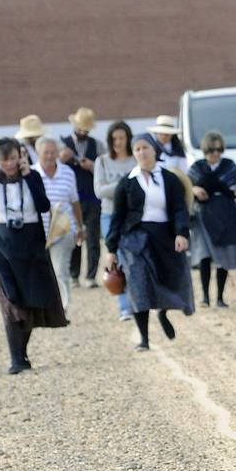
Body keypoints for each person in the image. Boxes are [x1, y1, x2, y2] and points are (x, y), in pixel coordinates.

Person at [0, 136, 68, 374]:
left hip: (31, 246)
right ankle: (15, 359)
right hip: (4, 247)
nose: (9, 164)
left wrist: (29, 174)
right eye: (3, 159)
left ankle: (22, 354)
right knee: (11, 301)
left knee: (30, 300)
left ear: (20, 157)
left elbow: (43, 205)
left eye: (12, 158)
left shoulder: (32, 177)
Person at [107, 132, 196, 351]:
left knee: (169, 280)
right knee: (138, 286)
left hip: (164, 237)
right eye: (137, 149)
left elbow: (179, 209)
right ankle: (144, 338)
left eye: (145, 148)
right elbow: (117, 217)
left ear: (154, 150)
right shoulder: (127, 183)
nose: (141, 153)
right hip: (134, 241)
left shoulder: (169, 178)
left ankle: (164, 312)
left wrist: (181, 233)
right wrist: (111, 249)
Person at [188, 130, 236, 308]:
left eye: (218, 150)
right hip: (203, 215)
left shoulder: (230, 166)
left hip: (225, 214)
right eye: (210, 150)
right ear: (205, 150)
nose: (215, 154)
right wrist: (194, 190)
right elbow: (186, 187)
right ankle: (205, 298)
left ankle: (220, 298)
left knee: (223, 257)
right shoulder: (197, 167)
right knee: (204, 257)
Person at [35, 135, 84, 310]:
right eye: (46, 152)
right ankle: (43, 306)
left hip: (63, 229)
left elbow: (75, 201)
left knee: (60, 270)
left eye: (53, 152)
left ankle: (62, 307)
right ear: (38, 153)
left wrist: (80, 226)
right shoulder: (32, 175)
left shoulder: (67, 173)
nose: (49, 156)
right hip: (38, 230)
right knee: (41, 271)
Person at [95, 120, 137, 321]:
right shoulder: (102, 162)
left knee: (133, 257)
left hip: (132, 215)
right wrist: (123, 186)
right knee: (116, 257)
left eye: (122, 138)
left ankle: (137, 299)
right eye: (115, 139)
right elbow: (99, 191)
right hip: (110, 214)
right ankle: (125, 306)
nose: (118, 142)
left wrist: (115, 187)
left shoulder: (135, 160)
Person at [61, 107, 106, 288]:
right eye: (80, 129)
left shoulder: (98, 145)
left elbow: (105, 169)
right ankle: (74, 275)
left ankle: (91, 276)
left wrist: (92, 166)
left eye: (86, 130)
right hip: (71, 199)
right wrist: (62, 159)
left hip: (93, 198)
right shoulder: (62, 144)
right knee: (74, 237)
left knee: (93, 238)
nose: (83, 133)